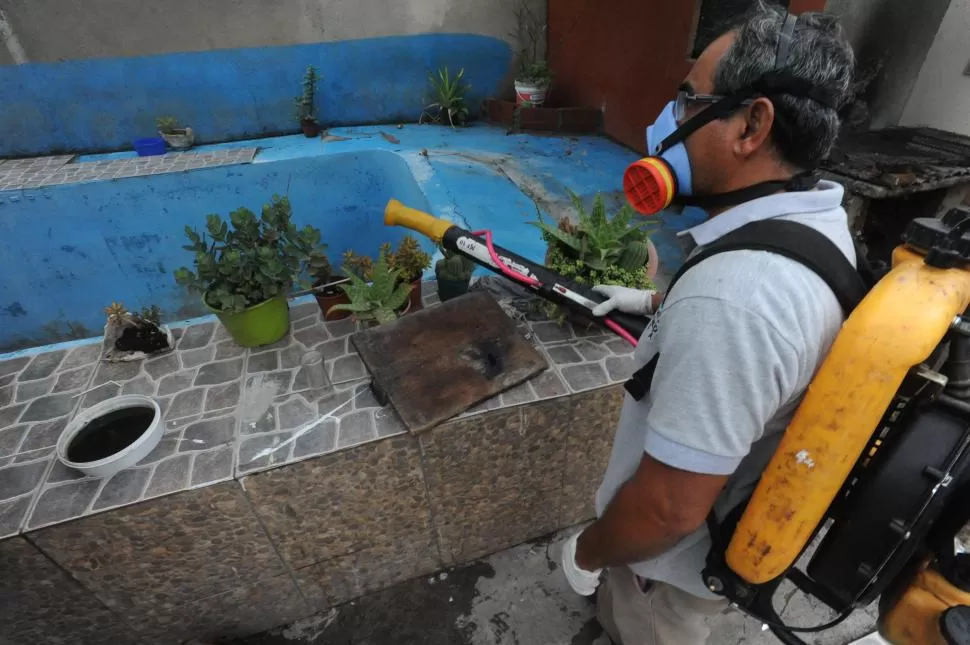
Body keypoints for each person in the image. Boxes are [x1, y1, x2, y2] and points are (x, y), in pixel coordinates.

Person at [559, 3, 857, 644]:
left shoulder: (735, 302)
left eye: (687, 98)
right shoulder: (814, 221)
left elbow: (666, 511)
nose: (665, 120)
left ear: (751, 124)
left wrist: (586, 552)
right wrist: (649, 303)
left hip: (669, 573)